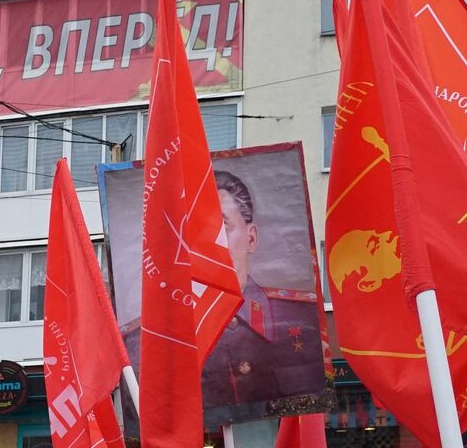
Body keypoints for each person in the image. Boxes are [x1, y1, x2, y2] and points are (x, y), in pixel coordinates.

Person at [122, 169, 327, 416]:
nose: (204, 241)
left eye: (220, 226)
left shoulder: (303, 320)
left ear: (251, 238)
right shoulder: (140, 344)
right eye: (191, 229)